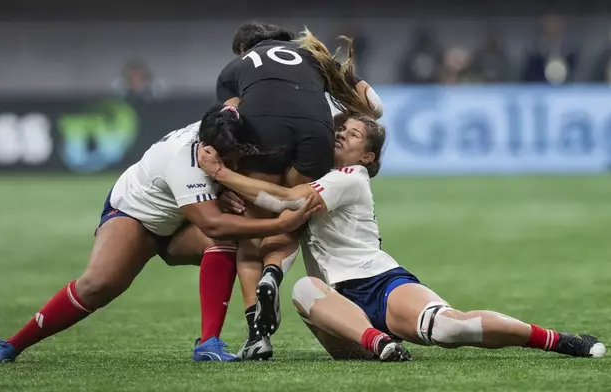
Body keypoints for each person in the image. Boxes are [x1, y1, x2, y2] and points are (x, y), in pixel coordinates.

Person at [197, 115, 607, 361]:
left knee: (450, 330)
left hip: (378, 282)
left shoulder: (348, 177)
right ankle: (380, 343)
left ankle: (555, 340)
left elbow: (287, 202)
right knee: (306, 288)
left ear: (367, 158)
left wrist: (222, 176)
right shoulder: (319, 175)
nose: (341, 134)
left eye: (353, 135)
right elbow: (285, 223)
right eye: (341, 129)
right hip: (339, 309)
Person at [0, 108, 320, 364]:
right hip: (136, 215)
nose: (232, 164)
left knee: (227, 240)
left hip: (176, 221)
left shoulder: (219, 129)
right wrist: (278, 226)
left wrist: (220, 186)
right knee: (97, 285)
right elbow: (214, 224)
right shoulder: (184, 162)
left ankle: (208, 343)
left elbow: (232, 103)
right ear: (207, 149)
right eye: (226, 160)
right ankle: (13, 345)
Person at [216, 23, 382, 359]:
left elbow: (226, 122)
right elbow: (374, 106)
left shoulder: (236, 66)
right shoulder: (313, 52)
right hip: (314, 128)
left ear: (243, 49)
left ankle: (256, 335)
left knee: (254, 229)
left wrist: (224, 179)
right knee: (292, 214)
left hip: (259, 125)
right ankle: (273, 274)